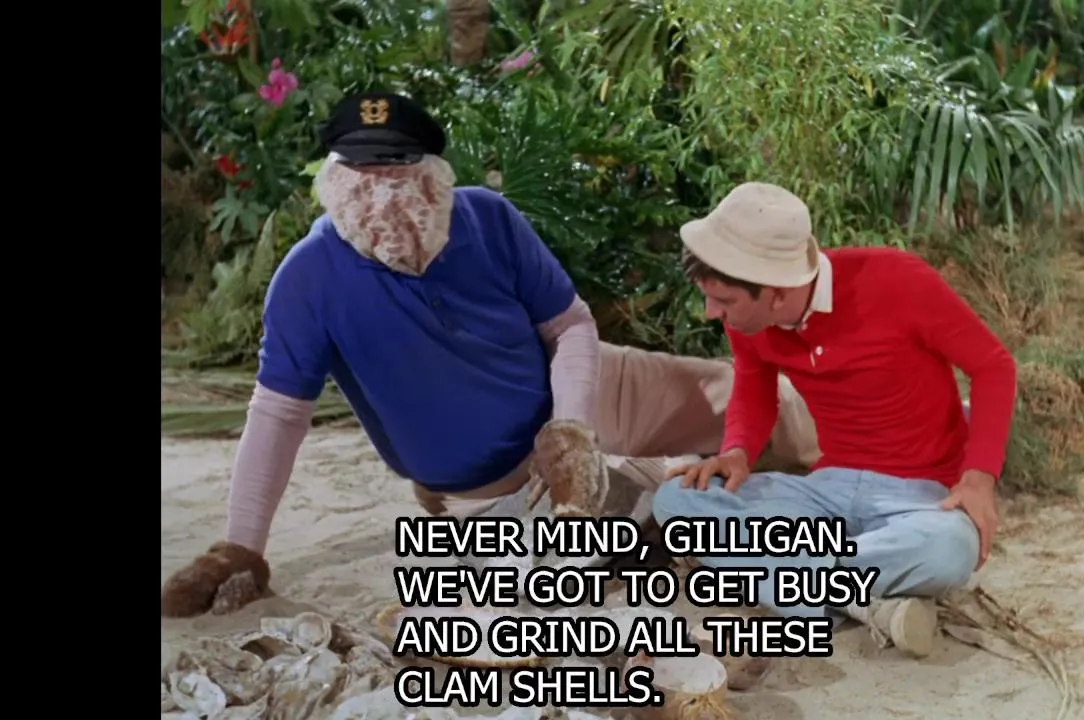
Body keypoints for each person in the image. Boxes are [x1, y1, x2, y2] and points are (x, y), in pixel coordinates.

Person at [159, 93, 821, 618]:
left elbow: (571, 326)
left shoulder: (487, 217)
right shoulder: (308, 279)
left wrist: (570, 431)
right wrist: (242, 546)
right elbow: (277, 415)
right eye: (362, 174)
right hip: (497, 484)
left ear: (433, 176)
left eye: (398, 170)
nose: (382, 192)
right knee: (657, 514)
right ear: (335, 182)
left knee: (771, 405)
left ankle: (857, 459)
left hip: (588, 391)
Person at [658, 182, 1017, 658]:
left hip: (919, 498)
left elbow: (994, 367)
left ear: (777, 292)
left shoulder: (898, 280)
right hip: (824, 490)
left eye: (723, 300)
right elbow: (754, 382)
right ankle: (860, 596)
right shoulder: (748, 320)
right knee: (676, 501)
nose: (711, 313)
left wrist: (979, 479)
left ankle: (801, 591)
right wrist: (737, 452)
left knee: (950, 549)